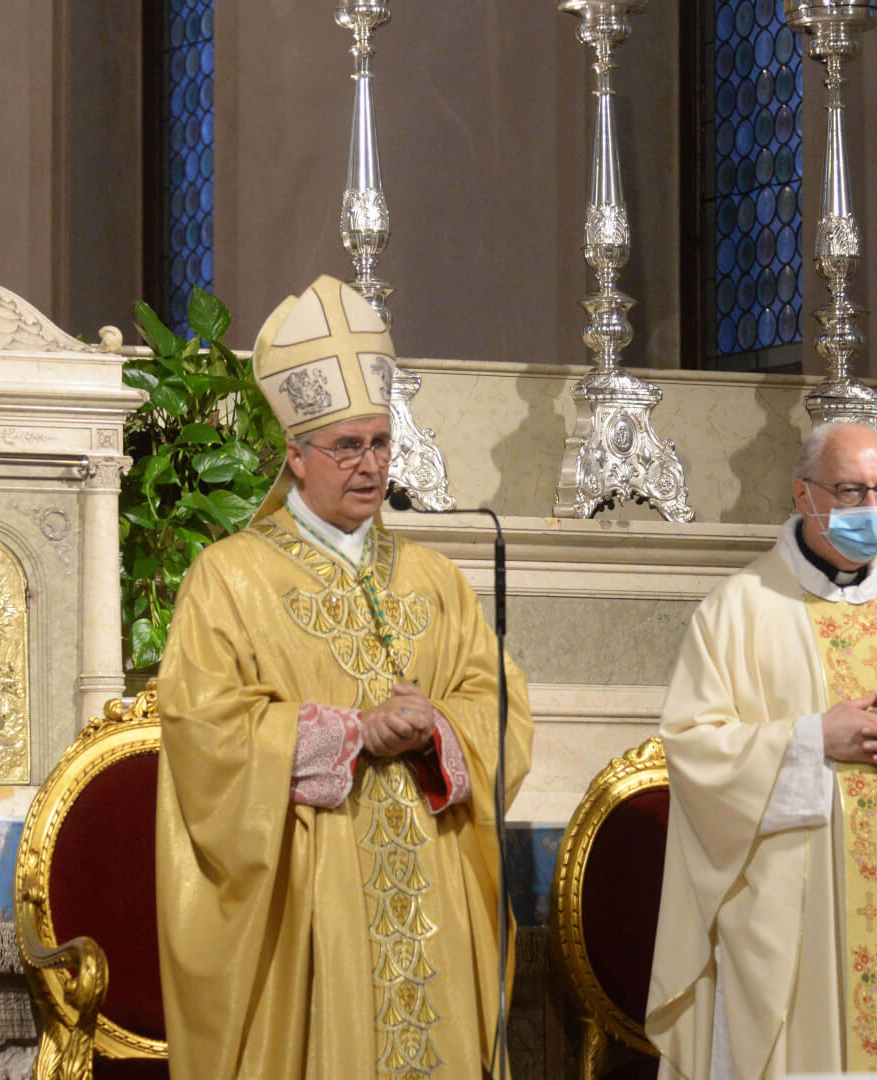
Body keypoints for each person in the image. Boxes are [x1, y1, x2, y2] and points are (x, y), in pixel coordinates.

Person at [155, 275, 534, 1080]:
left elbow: (496, 702)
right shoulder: (230, 577)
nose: (370, 466)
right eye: (347, 447)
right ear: (295, 456)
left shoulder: (434, 577)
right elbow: (202, 730)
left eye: (381, 444)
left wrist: (436, 729)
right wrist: (354, 733)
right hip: (310, 891)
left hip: (432, 885)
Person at [645, 421, 877, 1079]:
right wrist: (811, 739)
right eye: (850, 491)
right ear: (802, 493)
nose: (871, 508)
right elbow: (693, 746)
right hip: (793, 920)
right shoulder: (738, 609)